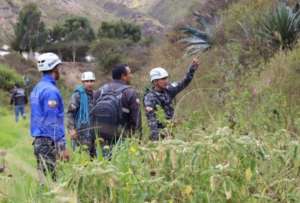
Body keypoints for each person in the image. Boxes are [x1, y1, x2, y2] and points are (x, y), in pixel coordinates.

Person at [30, 52, 69, 181]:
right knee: (51, 184)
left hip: (39, 142)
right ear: (54, 68)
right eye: (59, 67)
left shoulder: (37, 88)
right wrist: (61, 147)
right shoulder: (50, 91)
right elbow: (51, 121)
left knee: (44, 181)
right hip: (48, 143)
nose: (60, 70)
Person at [143, 59, 199, 141]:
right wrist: (156, 138)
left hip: (171, 131)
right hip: (160, 134)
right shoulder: (150, 97)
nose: (166, 81)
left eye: (166, 78)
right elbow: (151, 119)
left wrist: (192, 70)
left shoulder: (168, 90)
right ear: (155, 82)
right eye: (163, 79)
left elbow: (184, 82)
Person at [93, 64, 141, 156]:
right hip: (123, 140)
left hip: (102, 139)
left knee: (104, 167)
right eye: (129, 73)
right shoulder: (130, 92)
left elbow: (93, 115)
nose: (131, 76)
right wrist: (138, 142)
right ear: (123, 76)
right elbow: (137, 121)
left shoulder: (100, 91)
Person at [67, 71, 97, 158]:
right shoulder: (77, 95)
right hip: (80, 132)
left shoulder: (96, 95)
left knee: (94, 158)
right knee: (82, 157)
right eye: (87, 81)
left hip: (94, 132)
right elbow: (70, 113)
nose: (89, 83)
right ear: (83, 82)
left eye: (91, 81)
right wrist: (71, 129)